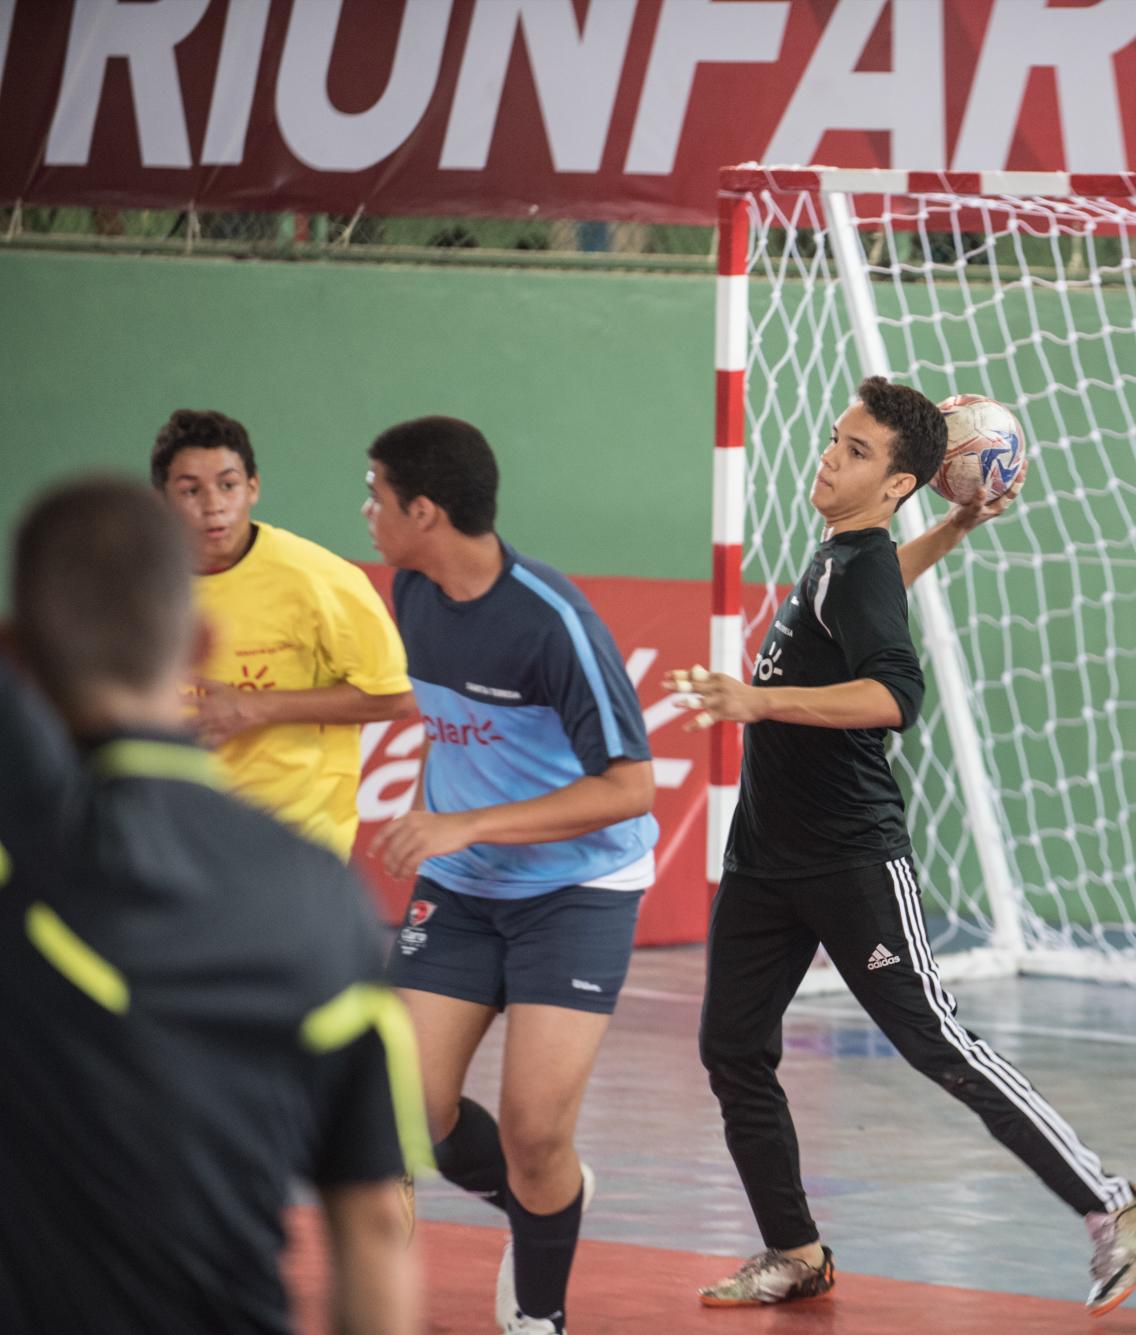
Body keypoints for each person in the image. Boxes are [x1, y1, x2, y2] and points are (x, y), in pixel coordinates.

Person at [673, 377, 1136, 1316]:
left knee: (937, 1042)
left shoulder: (854, 564)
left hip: (851, 859)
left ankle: (1117, 1204)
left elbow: (896, 695)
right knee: (733, 1046)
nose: (829, 455)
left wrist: (759, 700)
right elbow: (872, 595)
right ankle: (795, 1251)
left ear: (899, 484)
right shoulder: (844, 560)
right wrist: (955, 531)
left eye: (856, 452)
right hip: (766, 859)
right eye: (835, 439)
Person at [0, 477, 425, 1333]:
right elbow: (376, 1223)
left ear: (17, 649)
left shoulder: (30, 859)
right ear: (199, 641)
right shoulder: (321, 893)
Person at [363, 417, 658, 1335]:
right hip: (460, 889)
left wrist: (467, 822)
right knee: (409, 1108)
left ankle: (540, 1313)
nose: (366, 512)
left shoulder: (553, 622)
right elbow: (458, 728)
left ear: (426, 510)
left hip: (577, 892)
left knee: (537, 1131)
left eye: (375, 495)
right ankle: (542, 1205)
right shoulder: (409, 588)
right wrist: (444, 824)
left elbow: (631, 785)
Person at [153, 408, 414, 858]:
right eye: (191, 490)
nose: (214, 504)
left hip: (296, 843)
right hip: (179, 840)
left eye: (228, 484)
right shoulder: (139, 586)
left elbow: (397, 696)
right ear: (162, 499)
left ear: (253, 487)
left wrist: (256, 707)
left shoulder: (320, 579)